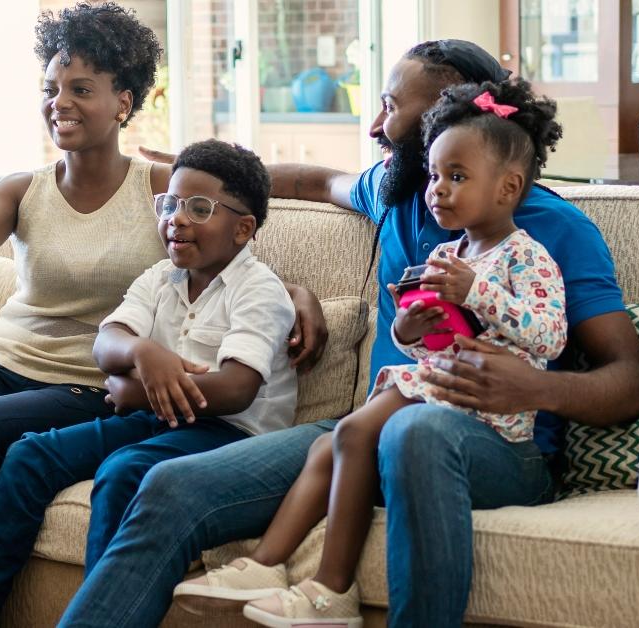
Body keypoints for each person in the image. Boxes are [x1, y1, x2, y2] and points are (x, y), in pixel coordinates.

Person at [60, 39, 639, 628]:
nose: (375, 125)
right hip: (367, 429)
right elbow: (314, 182)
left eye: (391, 107)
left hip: (495, 445)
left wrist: (534, 388)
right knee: (169, 484)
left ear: (449, 113)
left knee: (416, 431)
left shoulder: (555, 231)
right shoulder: (399, 195)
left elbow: (628, 383)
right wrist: (209, 197)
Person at [0, 5, 326, 627]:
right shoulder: (25, 188)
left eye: (80, 89)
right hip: (1, 364)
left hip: (88, 382)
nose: (59, 102)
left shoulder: (159, 188)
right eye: (49, 89)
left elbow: (233, 230)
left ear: (123, 101)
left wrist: (298, 290)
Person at [175, 79, 569, 628]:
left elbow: (549, 335)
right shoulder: (448, 254)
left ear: (508, 188)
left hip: (492, 423)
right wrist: (411, 323)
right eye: (434, 176)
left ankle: (330, 588)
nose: (437, 190)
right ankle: (271, 568)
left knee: (355, 433)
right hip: (435, 394)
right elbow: (434, 340)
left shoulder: (529, 257)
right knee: (342, 438)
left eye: (456, 177)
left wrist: (474, 291)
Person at [0, 139, 297, 628]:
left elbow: (236, 388)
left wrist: (140, 389)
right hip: (158, 418)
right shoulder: (160, 277)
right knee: (29, 455)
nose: (177, 218)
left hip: (228, 433)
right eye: (169, 204)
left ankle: (100, 615)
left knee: (124, 471)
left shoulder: (260, 291)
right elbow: (107, 343)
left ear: (243, 228)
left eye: (199, 208)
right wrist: (143, 353)